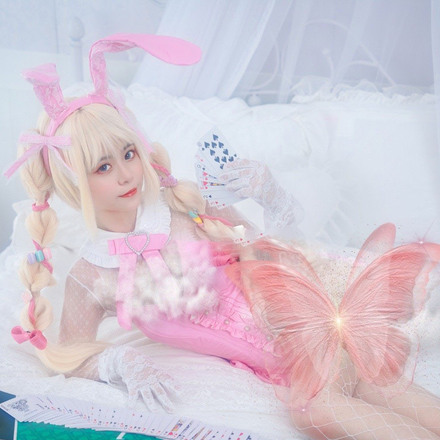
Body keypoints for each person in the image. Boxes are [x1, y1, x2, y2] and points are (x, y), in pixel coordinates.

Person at [7, 34, 440, 440]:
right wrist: (121, 360)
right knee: (368, 393)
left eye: (128, 153)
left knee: (321, 407)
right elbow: (70, 353)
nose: (125, 174)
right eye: (102, 167)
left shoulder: (184, 207)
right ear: (72, 184)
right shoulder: (90, 275)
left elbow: (274, 252)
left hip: (313, 318)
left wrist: (271, 196)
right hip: (294, 357)